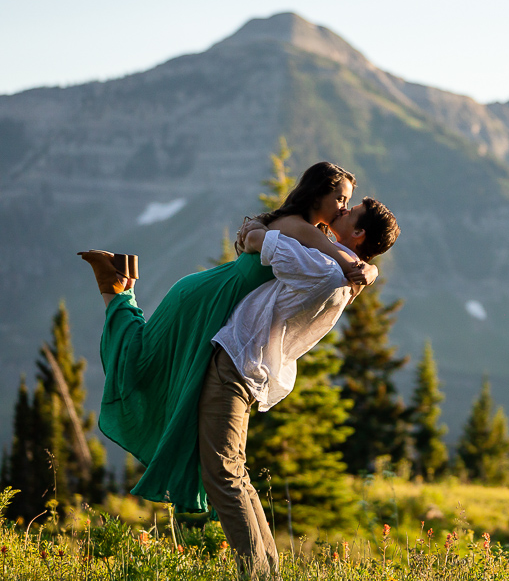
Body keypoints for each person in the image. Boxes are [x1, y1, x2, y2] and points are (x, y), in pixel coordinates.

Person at [80, 162, 375, 513]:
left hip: (216, 298)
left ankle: (122, 283)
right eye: (341, 198)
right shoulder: (301, 227)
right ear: (319, 193)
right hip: (209, 301)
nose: (343, 207)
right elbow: (345, 261)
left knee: (160, 361)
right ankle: (113, 288)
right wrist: (367, 269)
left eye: (348, 203)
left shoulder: (301, 227)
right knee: (146, 359)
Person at [203, 196, 399, 578]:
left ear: (358, 234)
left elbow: (262, 240)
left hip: (237, 361)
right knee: (233, 470)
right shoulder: (339, 270)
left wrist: (254, 231)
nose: (341, 211)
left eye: (350, 211)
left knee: (222, 473)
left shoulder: (324, 268)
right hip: (249, 365)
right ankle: (267, 572)